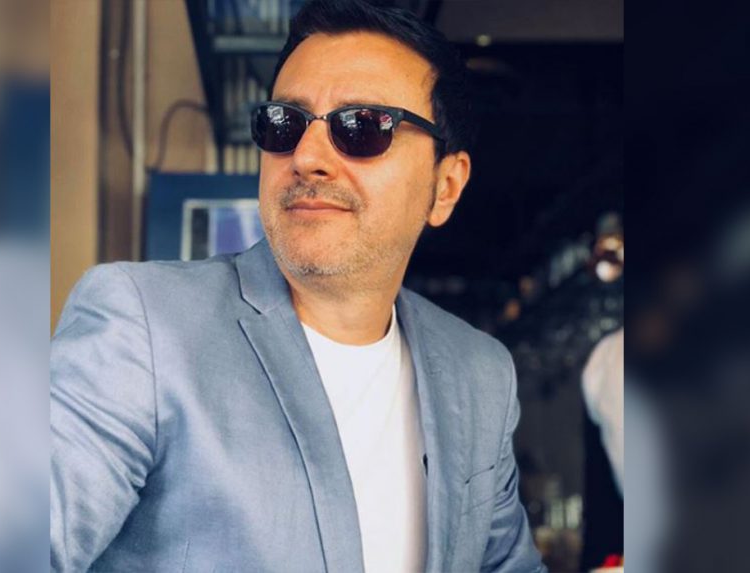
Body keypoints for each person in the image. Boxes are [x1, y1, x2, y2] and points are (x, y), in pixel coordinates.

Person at [50, 1, 546, 571]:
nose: (307, 157)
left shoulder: (481, 373)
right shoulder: (143, 327)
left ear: (446, 185)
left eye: (362, 127)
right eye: (284, 124)